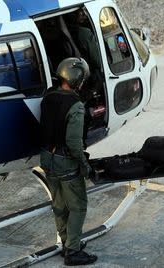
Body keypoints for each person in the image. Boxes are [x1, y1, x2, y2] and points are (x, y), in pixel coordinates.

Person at [39, 57, 97, 266]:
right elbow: (74, 142)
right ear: (76, 80)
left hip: (47, 158)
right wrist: (84, 164)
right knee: (78, 206)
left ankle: (67, 243)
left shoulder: (48, 96)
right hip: (66, 161)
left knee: (59, 205)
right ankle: (73, 251)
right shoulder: (76, 106)